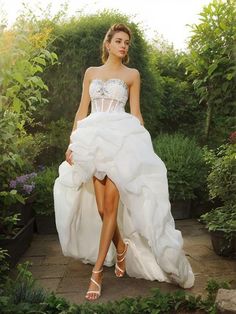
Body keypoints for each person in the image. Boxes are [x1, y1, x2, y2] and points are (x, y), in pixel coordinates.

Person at [53, 23, 195, 301]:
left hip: (122, 143)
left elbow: (137, 113)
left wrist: (140, 147)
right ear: (108, 44)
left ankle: (97, 273)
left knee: (110, 206)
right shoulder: (91, 73)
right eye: (118, 41)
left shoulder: (132, 75)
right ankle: (120, 248)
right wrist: (73, 144)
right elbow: (82, 110)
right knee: (101, 210)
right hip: (93, 142)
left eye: (126, 43)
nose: (123, 46)